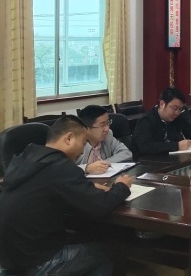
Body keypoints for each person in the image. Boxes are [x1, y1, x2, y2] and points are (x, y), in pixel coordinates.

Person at [0, 115, 133, 276]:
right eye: (83, 143)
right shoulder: (60, 166)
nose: (83, 150)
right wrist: (121, 186)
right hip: (37, 262)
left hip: (10, 260)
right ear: (69, 138)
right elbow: (100, 206)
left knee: (84, 238)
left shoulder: (27, 159)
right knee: (110, 250)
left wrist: (85, 187)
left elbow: (48, 187)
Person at [132, 86, 191, 154]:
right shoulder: (146, 121)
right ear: (162, 104)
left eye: (180, 109)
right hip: (149, 162)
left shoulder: (178, 117)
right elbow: (146, 146)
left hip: (173, 159)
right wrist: (177, 146)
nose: (177, 113)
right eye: (174, 108)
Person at [76, 105, 133, 174]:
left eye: (108, 123)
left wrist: (103, 164)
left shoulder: (108, 135)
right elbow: (66, 169)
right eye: (102, 125)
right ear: (86, 129)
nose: (107, 129)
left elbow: (126, 153)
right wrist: (87, 168)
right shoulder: (77, 144)